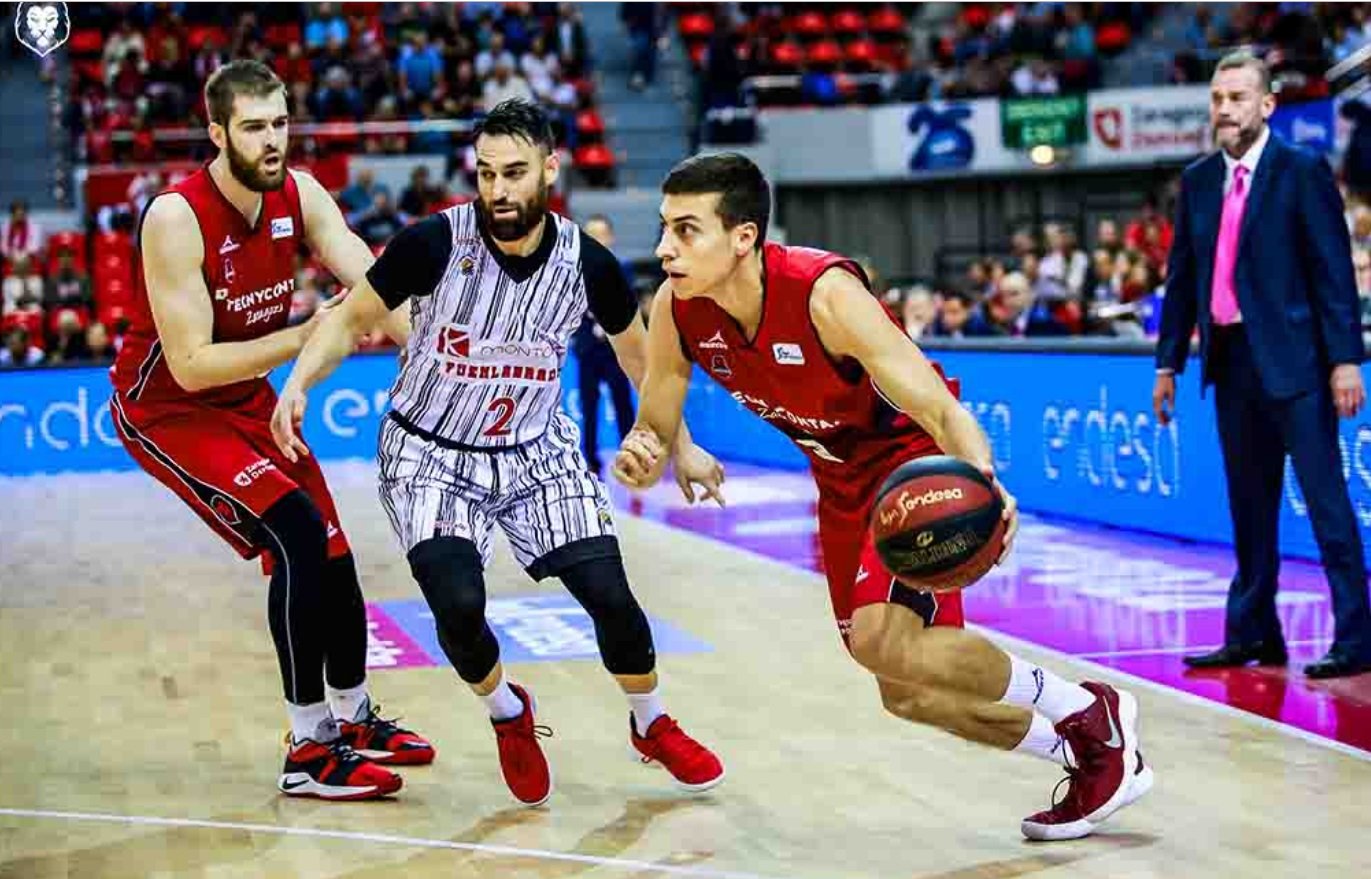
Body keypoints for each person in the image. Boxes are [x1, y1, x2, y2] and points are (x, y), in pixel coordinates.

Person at [613, 152, 1153, 841]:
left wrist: (982, 475)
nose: (663, 247)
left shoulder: (824, 294)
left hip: (910, 467)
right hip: (838, 485)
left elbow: (931, 401)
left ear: (742, 236)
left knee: (881, 637)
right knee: (902, 690)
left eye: (685, 230)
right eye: (664, 227)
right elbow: (657, 410)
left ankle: (1087, 711)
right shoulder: (677, 307)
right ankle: (1087, 753)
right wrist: (645, 448)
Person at [270, 100, 725, 808]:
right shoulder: (433, 243)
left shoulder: (588, 264)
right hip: (429, 454)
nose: (498, 190)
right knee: (457, 606)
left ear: (550, 167)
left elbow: (645, 361)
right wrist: (298, 382)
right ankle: (508, 713)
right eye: (485, 174)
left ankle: (650, 721)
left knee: (613, 599)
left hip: (535, 452)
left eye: (514, 173)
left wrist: (682, 447)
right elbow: (350, 319)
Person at [108, 60, 431, 802]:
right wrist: (308, 336)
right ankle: (307, 744)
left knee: (333, 546)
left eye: (280, 122)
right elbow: (190, 366)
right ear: (217, 132)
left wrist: (419, 338)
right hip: (168, 405)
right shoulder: (175, 216)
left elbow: (365, 275)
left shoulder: (299, 191)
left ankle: (355, 717)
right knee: (292, 527)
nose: (272, 139)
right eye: (254, 127)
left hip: (246, 396)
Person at [1154, 51, 1371, 679]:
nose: (1225, 109)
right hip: (1231, 364)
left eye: (1238, 98)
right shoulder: (1197, 181)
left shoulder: (1301, 172)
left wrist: (1346, 361)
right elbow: (1183, 279)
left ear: (1267, 105)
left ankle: (1356, 637)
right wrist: (1168, 363)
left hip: (1299, 366)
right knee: (1249, 510)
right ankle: (1253, 633)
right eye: (1218, 98)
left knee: (1328, 507)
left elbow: (1333, 275)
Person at [573, 214, 637, 473]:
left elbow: (628, 307)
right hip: (588, 350)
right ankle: (589, 459)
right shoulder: (573, 271)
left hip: (616, 350)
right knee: (589, 408)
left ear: (611, 237)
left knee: (623, 403)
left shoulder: (623, 269)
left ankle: (631, 457)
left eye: (601, 233)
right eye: (591, 234)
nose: (597, 239)